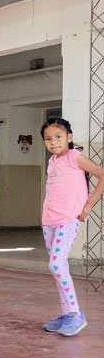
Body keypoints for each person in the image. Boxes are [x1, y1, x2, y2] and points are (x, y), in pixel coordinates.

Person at [40, 118, 104, 336]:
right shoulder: (52, 161)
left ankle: (75, 315)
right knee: (60, 269)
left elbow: (102, 175)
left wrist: (87, 206)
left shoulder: (74, 156)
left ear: (69, 137)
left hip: (68, 219)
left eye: (58, 137)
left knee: (56, 265)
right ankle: (68, 313)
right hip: (48, 220)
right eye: (48, 138)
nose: (53, 142)